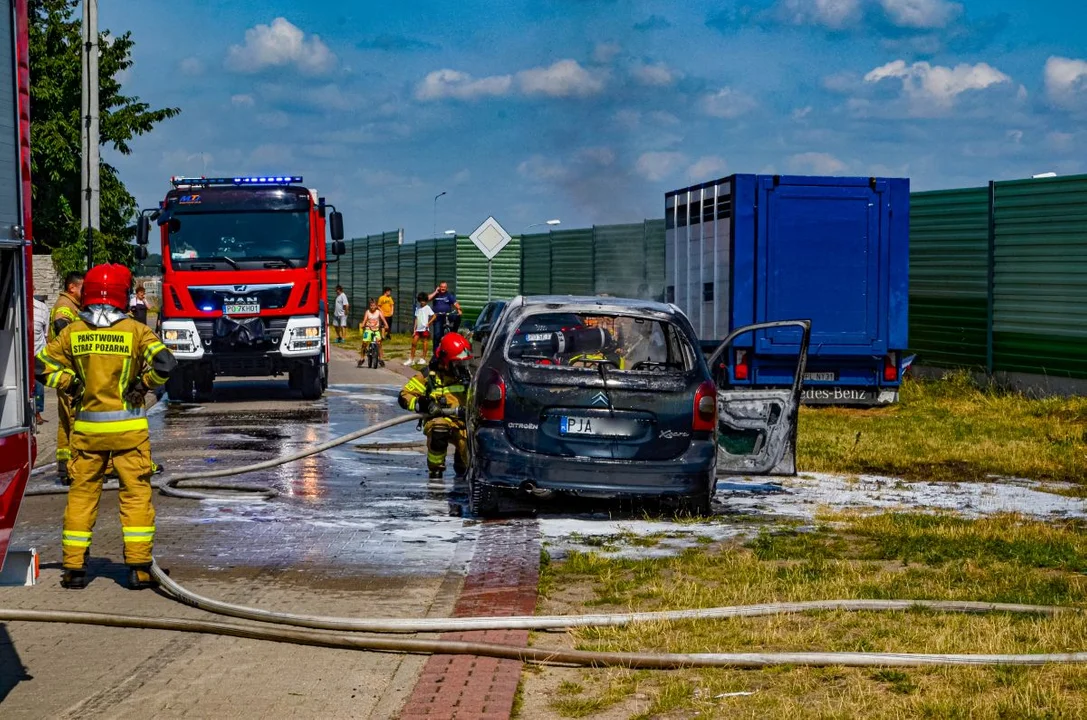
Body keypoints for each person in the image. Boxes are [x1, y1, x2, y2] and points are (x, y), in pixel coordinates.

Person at [35, 263, 177, 590]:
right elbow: (165, 363)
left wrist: (70, 385)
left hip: (86, 434)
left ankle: (73, 570)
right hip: (129, 434)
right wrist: (143, 385)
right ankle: (140, 570)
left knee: (82, 496)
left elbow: (42, 366)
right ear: (122, 294)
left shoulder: (74, 332)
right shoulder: (135, 330)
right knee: (136, 496)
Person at [398, 332, 472, 479]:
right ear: (445, 360)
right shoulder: (428, 375)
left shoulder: (470, 376)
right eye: (457, 363)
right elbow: (404, 396)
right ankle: (435, 469)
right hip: (440, 418)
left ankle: (463, 463)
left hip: (463, 422)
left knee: (469, 459)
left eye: (463, 363)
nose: (461, 367)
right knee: (439, 428)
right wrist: (423, 404)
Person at [50, 271, 83, 483]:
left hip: (62, 370)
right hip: (67, 372)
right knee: (74, 418)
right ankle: (75, 469)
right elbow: (62, 325)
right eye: (83, 288)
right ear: (72, 287)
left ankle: (64, 466)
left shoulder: (70, 304)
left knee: (64, 420)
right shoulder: (66, 306)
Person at [428, 282, 461, 353]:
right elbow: (427, 298)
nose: (443, 288)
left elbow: (455, 303)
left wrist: (458, 309)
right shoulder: (436, 295)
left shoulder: (449, 295)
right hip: (438, 317)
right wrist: (435, 292)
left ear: (446, 288)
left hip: (447, 316)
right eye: (441, 287)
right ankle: (435, 353)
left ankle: (454, 332)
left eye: (444, 287)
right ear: (439, 287)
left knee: (457, 317)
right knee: (437, 335)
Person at [32, 294, 49, 426]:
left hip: (37, 353)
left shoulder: (42, 309)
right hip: (20, 353)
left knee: (38, 386)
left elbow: (46, 334)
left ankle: (37, 413)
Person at [358, 298, 388, 368]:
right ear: (369, 306)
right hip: (368, 329)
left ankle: (380, 359)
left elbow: (383, 320)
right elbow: (364, 320)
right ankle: (362, 358)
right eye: (371, 306)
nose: (372, 307)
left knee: (379, 344)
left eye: (374, 305)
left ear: (376, 306)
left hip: (376, 330)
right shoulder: (367, 312)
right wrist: (363, 325)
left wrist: (386, 325)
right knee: (364, 343)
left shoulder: (378, 312)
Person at [406, 292, 435, 365]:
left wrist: (428, 323)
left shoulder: (427, 308)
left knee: (424, 342)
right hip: (418, 329)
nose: (422, 302)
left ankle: (423, 358)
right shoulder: (417, 308)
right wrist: (414, 329)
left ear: (426, 301)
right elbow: (416, 318)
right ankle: (411, 359)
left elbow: (434, 316)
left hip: (424, 329)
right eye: (421, 300)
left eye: (424, 300)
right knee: (414, 343)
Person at [376, 287, 395, 361]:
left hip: (389, 314)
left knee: (389, 326)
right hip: (384, 315)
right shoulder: (381, 298)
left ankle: (388, 335)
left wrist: (392, 311)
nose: (389, 292)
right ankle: (383, 336)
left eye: (390, 291)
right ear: (385, 291)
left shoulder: (390, 298)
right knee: (384, 325)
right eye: (388, 291)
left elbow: (392, 304)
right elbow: (378, 306)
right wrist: (381, 312)